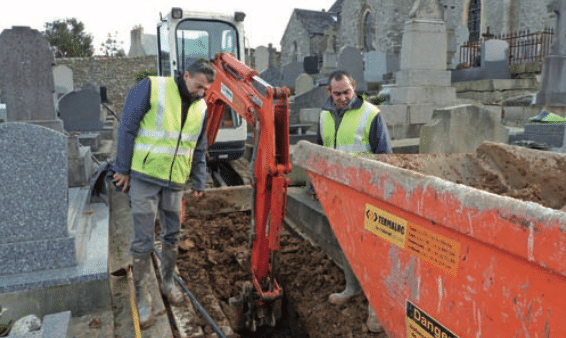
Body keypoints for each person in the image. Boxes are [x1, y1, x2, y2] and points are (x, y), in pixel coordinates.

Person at [112, 59, 215, 329]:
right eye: (199, 86)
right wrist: (122, 168)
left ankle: (168, 282)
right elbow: (127, 127)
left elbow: (199, 148)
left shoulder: (202, 107)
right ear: (186, 75)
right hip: (145, 176)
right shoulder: (152, 88)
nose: (202, 93)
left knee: (173, 234)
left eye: (206, 89)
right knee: (143, 240)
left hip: (175, 181)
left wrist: (200, 181)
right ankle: (143, 299)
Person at [316, 70, 392, 333]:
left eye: (346, 92)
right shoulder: (324, 116)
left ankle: (377, 308)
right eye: (337, 93)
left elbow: (385, 159)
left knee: (372, 252)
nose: (342, 97)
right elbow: (322, 153)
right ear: (329, 92)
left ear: (354, 88)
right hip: (338, 195)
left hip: (367, 195)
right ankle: (352, 287)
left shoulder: (371, 114)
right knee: (346, 243)